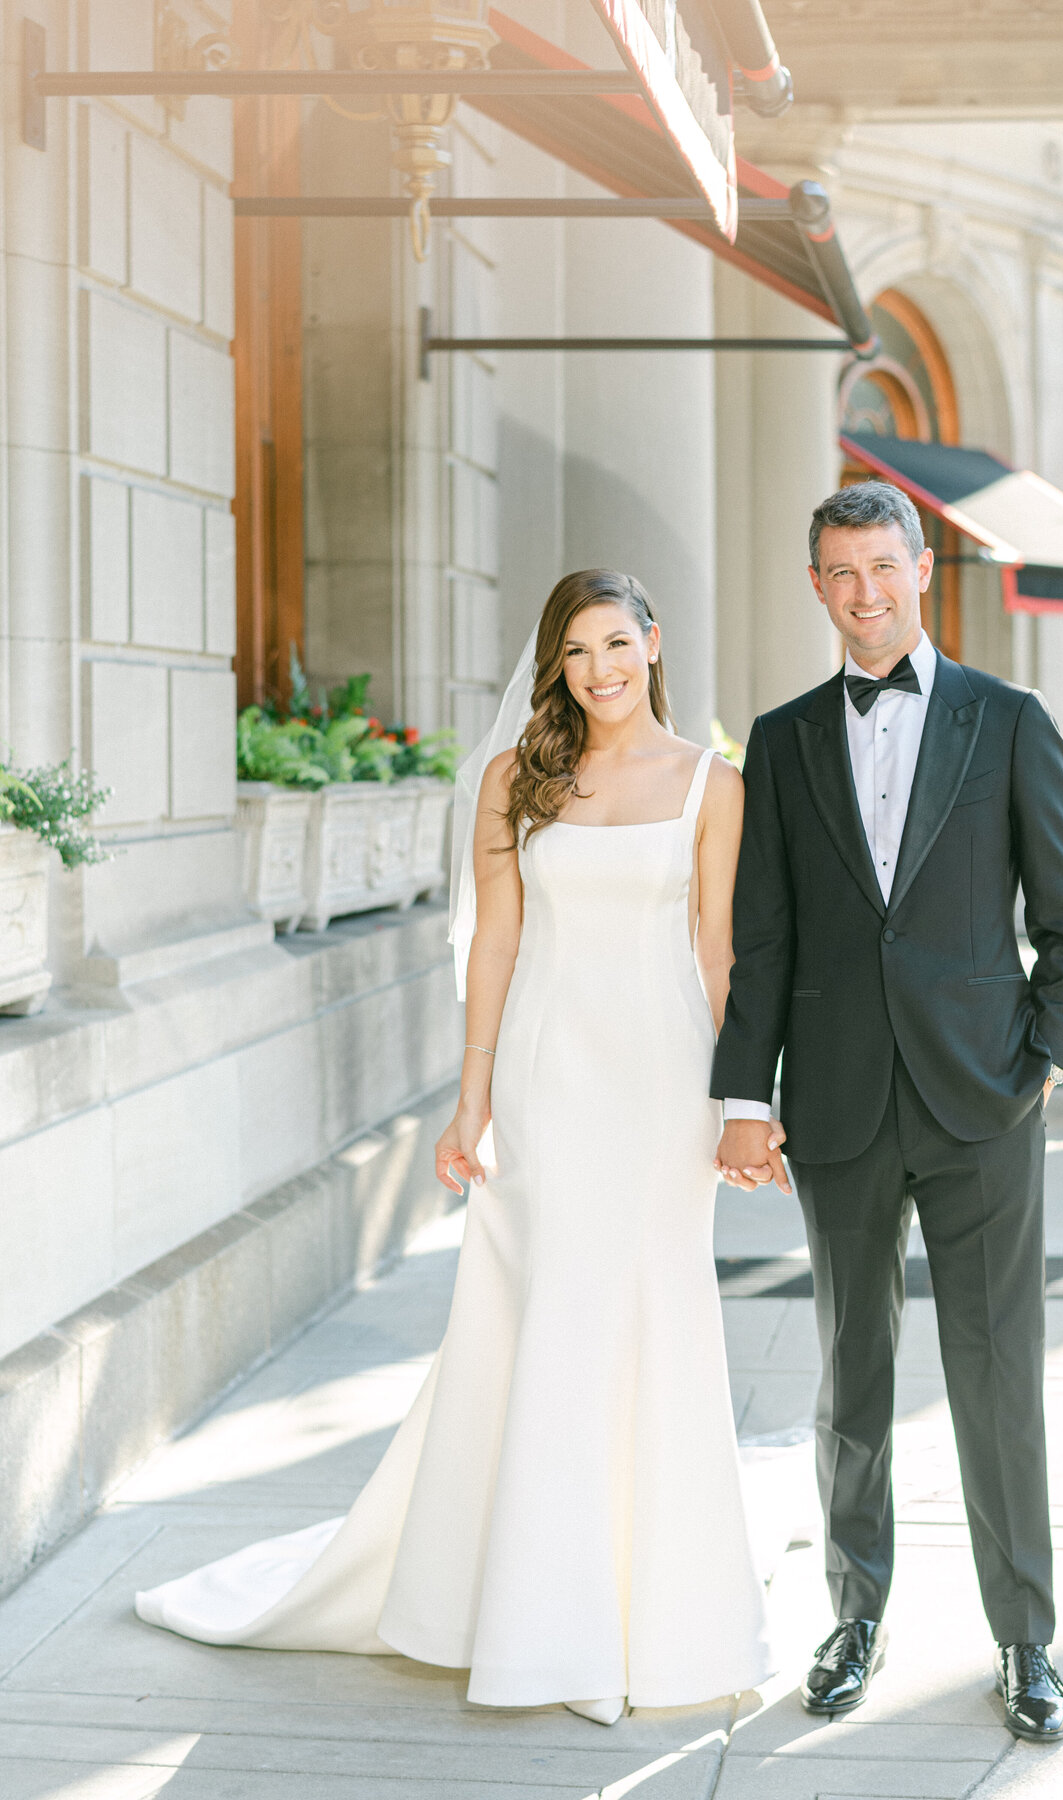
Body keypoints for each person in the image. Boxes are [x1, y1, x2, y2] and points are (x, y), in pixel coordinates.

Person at [135, 569, 774, 1725]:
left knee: (654, 1322)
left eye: (617, 644)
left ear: (654, 644)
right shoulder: (511, 781)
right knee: (548, 1324)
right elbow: (492, 948)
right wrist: (470, 1098)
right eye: (576, 652)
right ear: (556, 666)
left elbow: (719, 953)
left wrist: (747, 1103)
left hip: (664, 1082)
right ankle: (547, 1628)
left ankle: (656, 1618)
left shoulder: (711, 785)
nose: (601, 670)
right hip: (544, 1079)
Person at [712, 482, 1063, 1743]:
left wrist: (1039, 1062)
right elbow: (761, 941)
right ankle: (854, 1616)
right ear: (815, 584)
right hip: (836, 1107)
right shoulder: (779, 741)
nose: (864, 592)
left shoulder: (1012, 721)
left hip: (983, 1102)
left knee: (998, 1379)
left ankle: (1027, 1638)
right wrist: (742, 1096)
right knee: (852, 1377)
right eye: (840, 572)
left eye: (883, 566)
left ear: (919, 568)